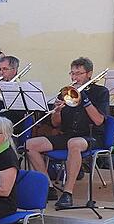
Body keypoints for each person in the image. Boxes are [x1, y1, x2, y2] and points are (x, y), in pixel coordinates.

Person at [25, 57, 109, 208]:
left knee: (74, 143)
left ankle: (67, 193)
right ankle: (48, 187)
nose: (74, 77)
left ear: (89, 74)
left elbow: (99, 121)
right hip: (69, 135)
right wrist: (57, 111)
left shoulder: (100, 92)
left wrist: (85, 100)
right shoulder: (65, 92)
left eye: (79, 73)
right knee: (30, 145)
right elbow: (55, 123)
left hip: (92, 136)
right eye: (72, 73)